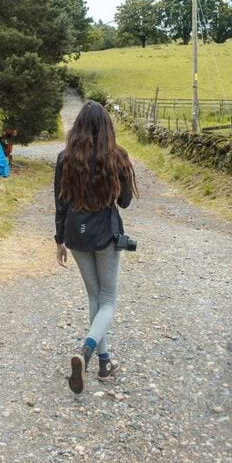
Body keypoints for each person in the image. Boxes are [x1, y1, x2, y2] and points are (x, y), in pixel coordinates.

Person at [54, 101, 137, 394]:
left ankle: (104, 362)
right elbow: (125, 201)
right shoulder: (117, 157)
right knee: (108, 300)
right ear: (107, 128)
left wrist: (59, 240)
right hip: (105, 236)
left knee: (94, 297)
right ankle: (88, 352)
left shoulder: (65, 159)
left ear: (78, 128)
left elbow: (60, 202)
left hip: (76, 236)